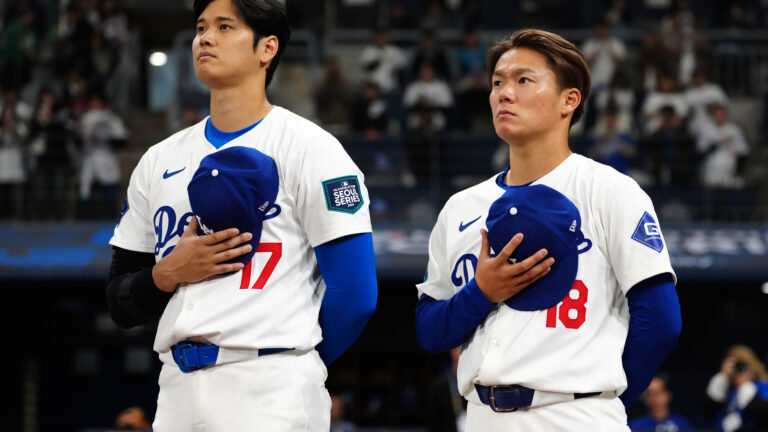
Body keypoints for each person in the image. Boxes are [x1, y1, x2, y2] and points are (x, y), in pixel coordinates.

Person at [105, 1, 377, 431]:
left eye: (224, 26)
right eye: (200, 28)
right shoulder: (158, 160)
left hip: (270, 384)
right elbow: (119, 302)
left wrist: (295, 362)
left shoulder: (312, 148)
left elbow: (356, 296)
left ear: (267, 47)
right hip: (176, 386)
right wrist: (165, 275)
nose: (204, 38)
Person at [414, 29, 681, 431]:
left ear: (569, 100)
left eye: (523, 80)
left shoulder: (611, 191)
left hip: (576, 414)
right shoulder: (459, 208)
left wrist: (603, 400)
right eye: (498, 82)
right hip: (482, 416)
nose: (505, 93)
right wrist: (481, 293)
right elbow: (430, 331)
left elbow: (661, 321)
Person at [706, 345, 768, 432]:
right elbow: (709, 412)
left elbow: (763, 414)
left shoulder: (763, 387)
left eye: (740, 365)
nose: (736, 369)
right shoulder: (727, 388)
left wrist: (744, 384)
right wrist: (723, 378)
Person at [628, 374, 692, 431]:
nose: (654, 397)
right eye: (649, 393)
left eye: (657, 392)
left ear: (668, 394)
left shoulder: (682, 424)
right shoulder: (636, 426)